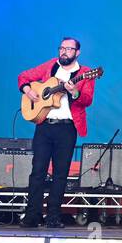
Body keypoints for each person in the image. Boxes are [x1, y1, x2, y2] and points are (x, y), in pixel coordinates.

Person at [17, 37, 95, 227]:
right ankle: (32, 216)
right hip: (44, 126)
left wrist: (74, 91)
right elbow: (23, 77)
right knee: (37, 172)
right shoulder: (50, 66)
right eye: (62, 48)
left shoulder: (85, 73)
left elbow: (86, 99)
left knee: (60, 174)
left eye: (69, 49)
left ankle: (53, 217)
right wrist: (28, 90)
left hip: (67, 129)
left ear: (77, 53)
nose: (64, 52)